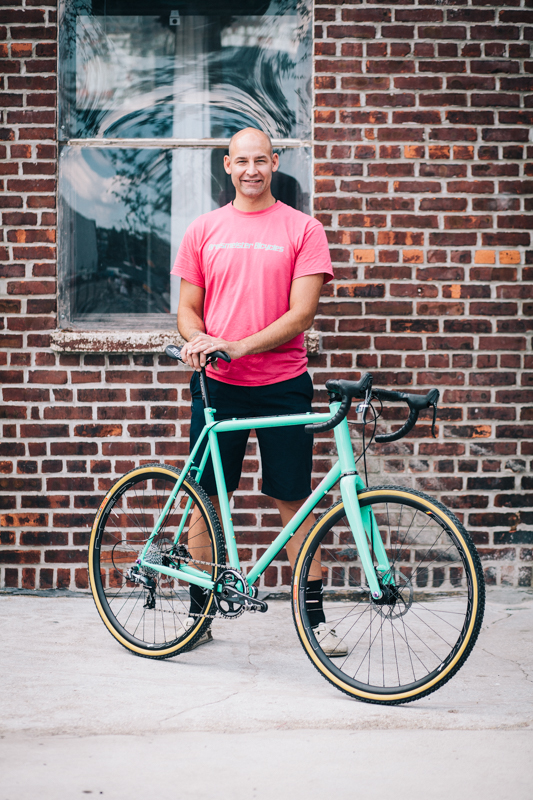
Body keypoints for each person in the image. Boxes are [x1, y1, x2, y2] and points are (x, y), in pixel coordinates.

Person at [172, 127, 346, 656]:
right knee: (205, 500)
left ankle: (315, 620)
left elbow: (303, 314)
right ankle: (199, 611)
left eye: (261, 160)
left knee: (292, 499)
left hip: (283, 385)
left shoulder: (304, 229)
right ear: (227, 166)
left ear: (274, 163)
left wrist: (240, 346)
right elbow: (187, 311)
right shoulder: (203, 229)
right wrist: (198, 339)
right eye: (241, 161)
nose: (251, 170)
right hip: (217, 386)